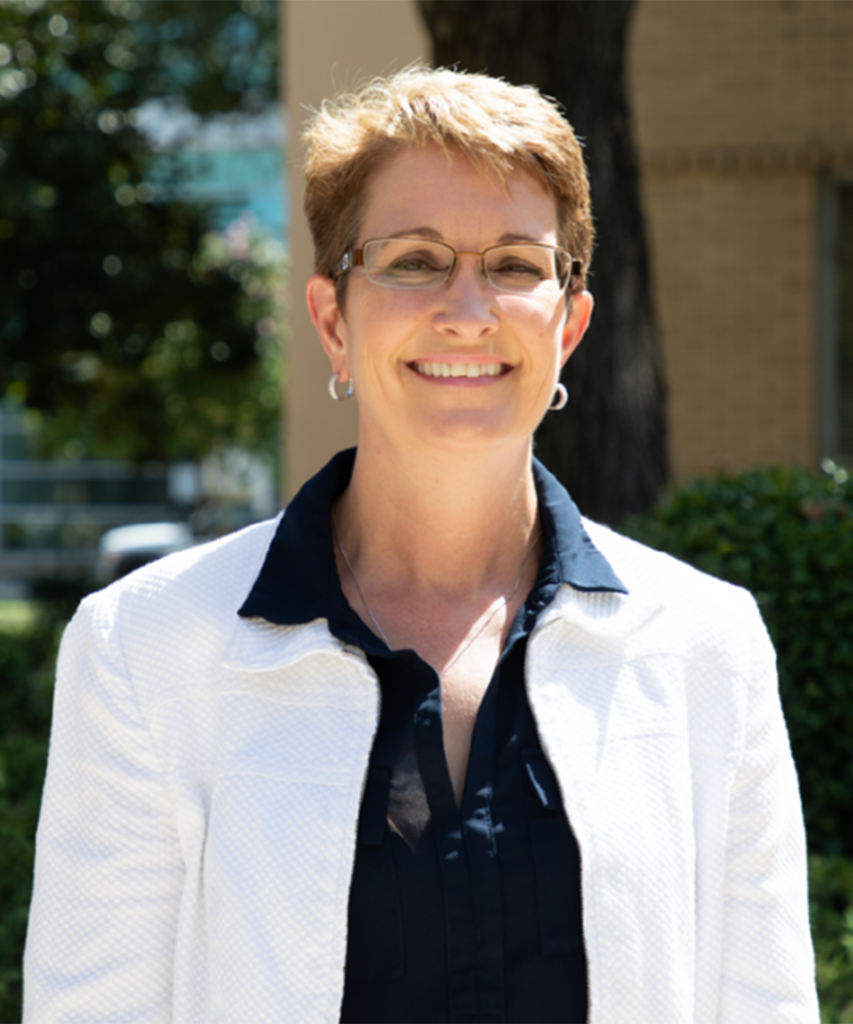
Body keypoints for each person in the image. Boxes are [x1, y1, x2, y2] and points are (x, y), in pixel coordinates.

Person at [24, 67, 818, 1023]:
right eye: (413, 260)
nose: (468, 309)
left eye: (516, 265)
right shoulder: (140, 652)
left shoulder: (707, 649)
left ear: (568, 326)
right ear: (332, 321)